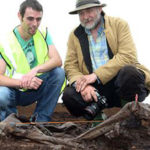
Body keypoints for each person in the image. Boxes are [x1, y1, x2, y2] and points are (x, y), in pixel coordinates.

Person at [62, 0, 150, 120]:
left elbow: (128, 55)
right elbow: (70, 66)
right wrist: (83, 85)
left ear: (100, 9)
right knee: (68, 95)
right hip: (96, 90)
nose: (85, 17)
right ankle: (98, 120)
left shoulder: (119, 24)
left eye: (89, 11)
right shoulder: (74, 35)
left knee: (129, 73)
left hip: (121, 83)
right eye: (81, 13)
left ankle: (130, 117)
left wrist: (96, 75)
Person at [0, 0, 65, 122]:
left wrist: (35, 70)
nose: (35, 24)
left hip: (37, 85)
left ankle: (40, 122)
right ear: (20, 16)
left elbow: (57, 60)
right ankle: (11, 122)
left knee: (59, 73)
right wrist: (22, 82)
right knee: (1, 94)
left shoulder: (43, 33)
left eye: (38, 19)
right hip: (15, 91)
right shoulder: (5, 42)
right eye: (30, 19)